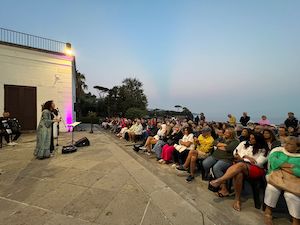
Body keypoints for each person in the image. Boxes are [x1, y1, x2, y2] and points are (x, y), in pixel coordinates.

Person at [210, 133, 269, 211]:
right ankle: (237, 200)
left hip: (256, 169)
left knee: (240, 165)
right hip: (240, 166)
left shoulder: (264, 149)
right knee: (239, 173)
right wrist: (246, 157)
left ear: (258, 140)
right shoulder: (244, 143)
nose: (250, 139)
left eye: (253, 139)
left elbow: (258, 163)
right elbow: (235, 152)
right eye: (250, 137)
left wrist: (243, 158)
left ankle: (220, 180)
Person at [264, 136, 300, 225]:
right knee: (272, 188)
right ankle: (268, 212)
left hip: (294, 180)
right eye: (285, 143)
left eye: (290, 144)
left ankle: (296, 220)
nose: (286, 146)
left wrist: (283, 167)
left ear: (298, 147)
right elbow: (273, 161)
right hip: (276, 176)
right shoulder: (278, 151)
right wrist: (291, 166)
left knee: (291, 195)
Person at [202, 128, 240, 196]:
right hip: (215, 156)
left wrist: (220, 145)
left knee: (216, 167)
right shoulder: (222, 138)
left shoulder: (235, 141)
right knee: (205, 163)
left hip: (226, 159)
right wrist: (223, 145)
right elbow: (214, 143)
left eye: (227, 133)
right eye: (225, 132)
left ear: (231, 134)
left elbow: (228, 148)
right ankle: (213, 177)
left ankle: (224, 188)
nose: (225, 133)